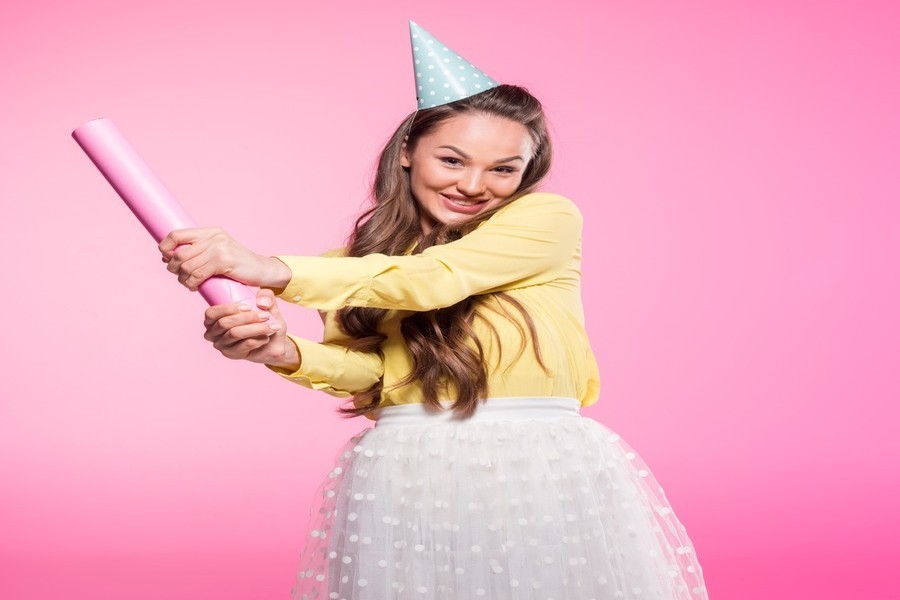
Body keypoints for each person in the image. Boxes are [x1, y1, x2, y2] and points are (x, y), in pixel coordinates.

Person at [158, 21, 709, 600]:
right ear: (406, 152)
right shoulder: (349, 266)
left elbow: (438, 279)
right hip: (406, 467)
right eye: (452, 160)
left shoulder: (544, 220)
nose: (474, 185)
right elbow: (376, 379)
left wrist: (269, 268)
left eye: (503, 169)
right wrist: (283, 352)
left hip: (536, 461)